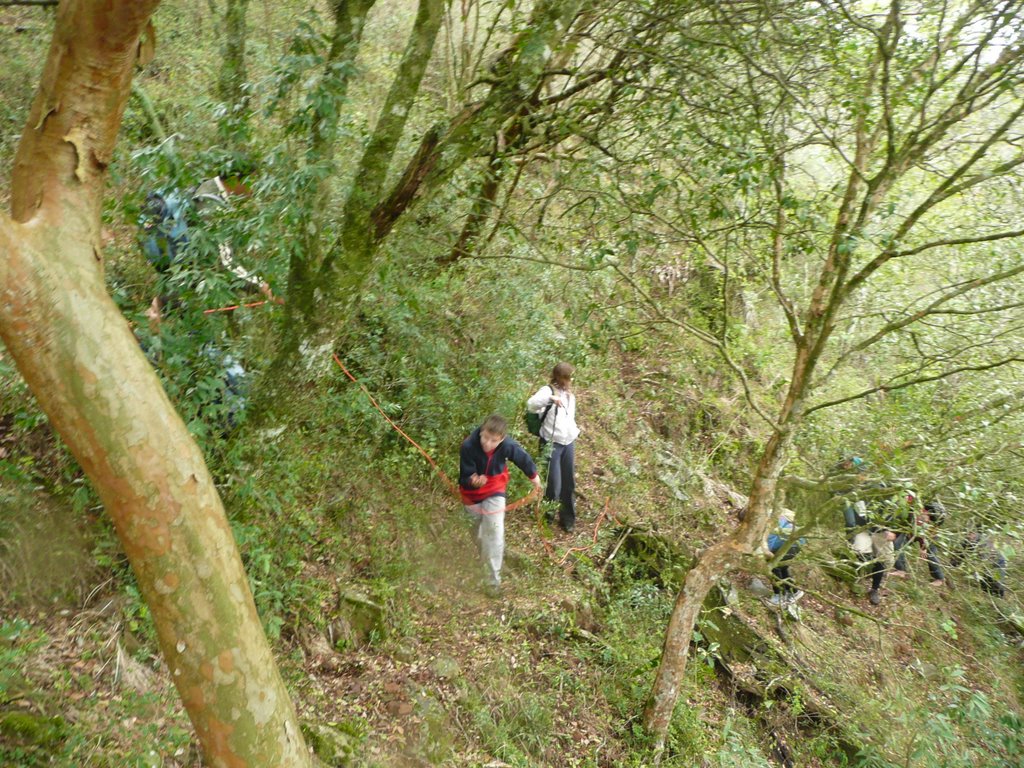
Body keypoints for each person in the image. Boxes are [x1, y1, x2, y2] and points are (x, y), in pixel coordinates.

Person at [459, 414, 543, 597]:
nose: (488, 444)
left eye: (493, 441)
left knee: (494, 533)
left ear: (502, 439)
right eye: (485, 438)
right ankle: (487, 558)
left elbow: (523, 458)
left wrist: (535, 478)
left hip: (495, 491)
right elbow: (465, 475)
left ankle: (492, 583)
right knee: (477, 534)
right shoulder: (468, 446)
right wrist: (473, 479)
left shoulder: (508, 445)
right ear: (481, 431)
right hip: (471, 496)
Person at [527, 362, 581, 533]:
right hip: (551, 443)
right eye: (568, 376)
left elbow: (569, 418)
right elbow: (531, 404)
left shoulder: (570, 395)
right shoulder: (547, 391)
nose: (571, 380)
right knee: (554, 484)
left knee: (568, 483)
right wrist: (551, 399)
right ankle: (547, 517)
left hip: (567, 443)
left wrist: (574, 432)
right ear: (561, 377)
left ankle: (568, 519)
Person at [892, 499, 946, 586]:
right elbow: (907, 522)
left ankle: (939, 578)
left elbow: (928, 534)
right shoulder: (916, 510)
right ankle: (901, 569)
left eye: (929, 518)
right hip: (912, 532)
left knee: (930, 554)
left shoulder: (933, 523)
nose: (926, 518)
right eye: (926, 514)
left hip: (929, 537)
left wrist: (923, 548)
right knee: (898, 544)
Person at [765, 510, 805, 607]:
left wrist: (767, 552)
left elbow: (771, 539)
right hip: (796, 542)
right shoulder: (772, 514)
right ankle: (794, 592)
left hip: (790, 542)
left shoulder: (769, 519)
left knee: (774, 567)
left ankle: (779, 596)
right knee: (782, 567)